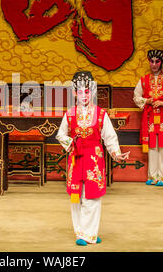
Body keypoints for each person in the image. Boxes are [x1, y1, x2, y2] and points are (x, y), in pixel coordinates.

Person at [56, 71, 129, 246]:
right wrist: (71, 143)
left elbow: (110, 137)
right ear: (74, 93)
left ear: (92, 92)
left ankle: (90, 233)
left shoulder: (101, 114)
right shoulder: (70, 114)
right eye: (80, 92)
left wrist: (116, 154)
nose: (84, 95)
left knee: (92, 197)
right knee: (76, 197)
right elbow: (60, 134)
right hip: (76, 159)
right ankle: (81, 233)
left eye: (87, 91)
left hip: (94, 161)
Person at [133, 50, 163, 186]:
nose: (154, 64)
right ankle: (153, 176)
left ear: (162, 63)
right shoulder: (143, 80)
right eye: (152, 61)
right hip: (150, 116)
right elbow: (136, 96)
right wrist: (146, 100)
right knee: (152, 146)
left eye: (157, 62)